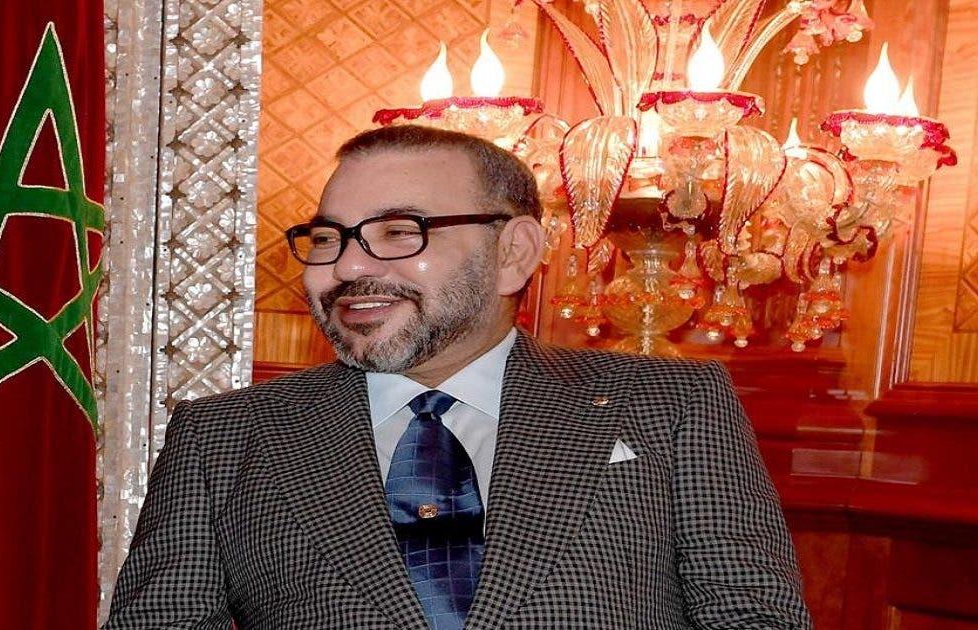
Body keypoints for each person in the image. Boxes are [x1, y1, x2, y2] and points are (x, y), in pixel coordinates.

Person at [104, 125, 812, 629]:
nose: (347, 266)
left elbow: (755, 618)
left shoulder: (672, 406)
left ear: (514, 253)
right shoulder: (224, 436)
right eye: (327, 237)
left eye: (398, 231)